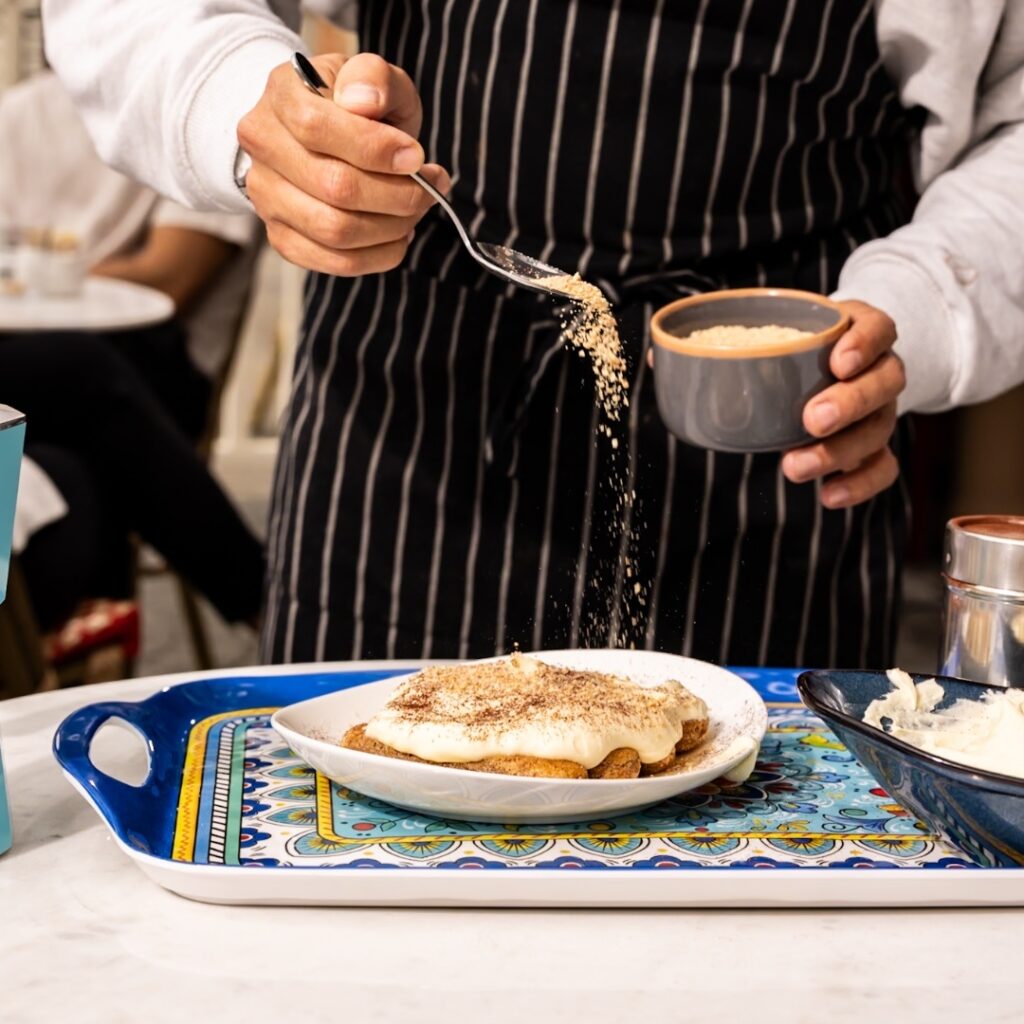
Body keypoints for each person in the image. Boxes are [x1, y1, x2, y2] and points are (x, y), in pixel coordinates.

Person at [42, 1, 1024, 667]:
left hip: (781, 435)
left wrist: (925, 301)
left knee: (740, 925)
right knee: (357, 907)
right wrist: (233, 97)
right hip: (412, 427)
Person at [0, 71, 265, 632]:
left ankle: (91, 671)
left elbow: (170, 278)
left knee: (74, 426)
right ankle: (259, 598)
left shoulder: (213, 108)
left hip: (151, 367)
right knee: (74, 404)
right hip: (63, 374)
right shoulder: (20, 115)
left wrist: (44, 274)